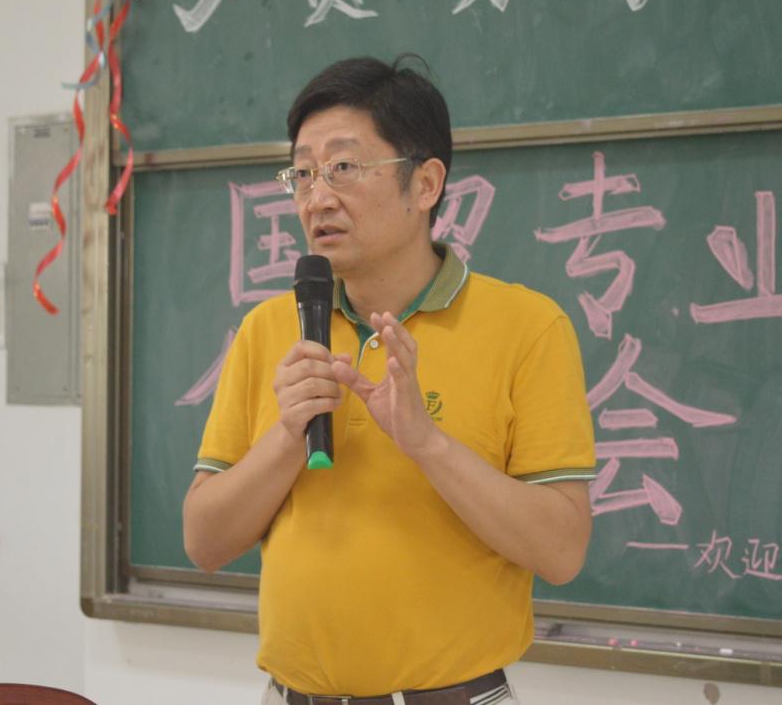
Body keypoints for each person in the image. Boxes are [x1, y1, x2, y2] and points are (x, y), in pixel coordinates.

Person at [183, 55, 596, 704]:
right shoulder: (270, 329)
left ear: (425, 183)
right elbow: (204, 542)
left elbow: (562, 551)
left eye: (344, 168)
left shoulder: (528, 327)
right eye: (302, 174)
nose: (317, 198)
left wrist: (428, 445)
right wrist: (288, 436)